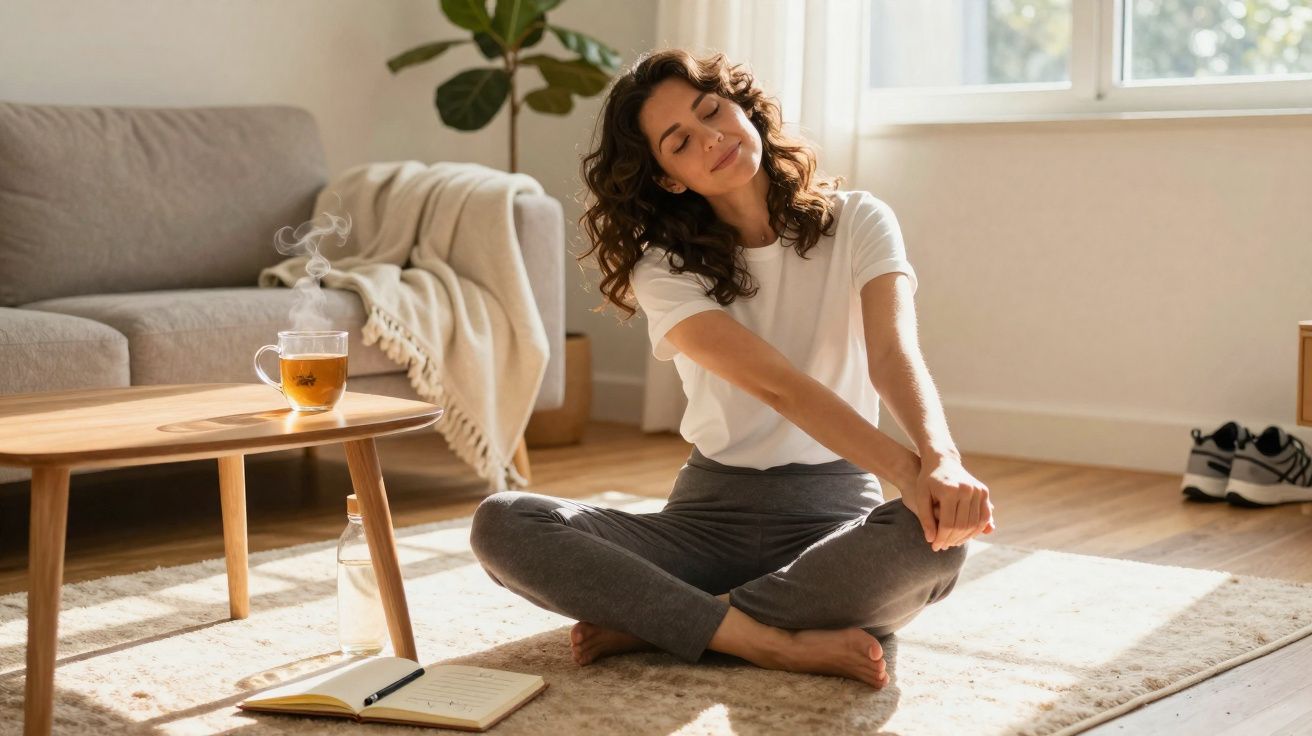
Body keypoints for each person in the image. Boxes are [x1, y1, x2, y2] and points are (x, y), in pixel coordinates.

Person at [469, 49, 995, 690]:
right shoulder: (662, 270)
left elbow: (894, 355)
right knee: (503, 522)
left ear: (743, 107)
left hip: (833, 520)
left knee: (933, 541)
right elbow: (781, 388)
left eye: (712, 111)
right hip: (701, 525)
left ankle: (669, 622)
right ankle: (765, 640)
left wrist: (938, 461)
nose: (711, 138)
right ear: (668, 178)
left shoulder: (858, 220)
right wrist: (911, 474)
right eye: (680, 141)